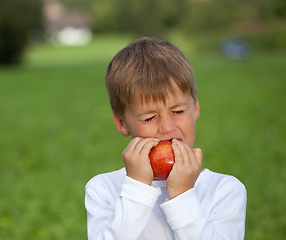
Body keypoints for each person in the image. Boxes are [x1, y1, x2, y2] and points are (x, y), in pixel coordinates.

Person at [85, 37, 247, 239]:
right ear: (122, 123)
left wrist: (182, 195)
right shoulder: (104, 189)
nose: (167, 127)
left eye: (178, 111)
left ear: (195, 107)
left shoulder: (224, 191)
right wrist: (137, 188)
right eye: (149, 117)